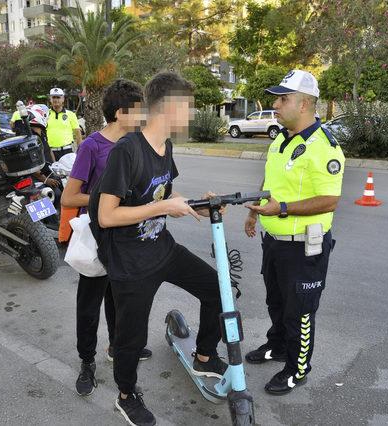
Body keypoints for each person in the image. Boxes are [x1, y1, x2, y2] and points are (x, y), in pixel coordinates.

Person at [95, 72, 226, 426]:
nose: (193, 115)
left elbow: (162, 195)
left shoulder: (165, 147)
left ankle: (204, 355)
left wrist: (198, 206)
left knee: (218, 289)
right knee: (130, 338)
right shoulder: (128, 150)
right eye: (189, 108)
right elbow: (107, 215)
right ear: (169, 108)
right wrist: (163, 208)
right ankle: (126, 395)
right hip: (131, 262)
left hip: (162, 248)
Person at [243, 70, 345, 396]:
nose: (275, 105)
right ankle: (278, 347)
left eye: (282, 99)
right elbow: (270, 184)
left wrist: (282, 209)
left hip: (304, 247)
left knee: (300, 310)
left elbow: (330, 200)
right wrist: (254, 211)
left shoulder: (324, 147)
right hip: (274, 242)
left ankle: (297, 369)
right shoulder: (280, 139)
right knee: (276, 301)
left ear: (304, 104)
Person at [60, 79, 153, 397]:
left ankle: (117, 347)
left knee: (122, 300)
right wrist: (108, 198)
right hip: (98, 238)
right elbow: (69, 198)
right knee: (89, 306)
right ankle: (87, 362)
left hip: (128, 238)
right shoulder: (92, 146)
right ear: (120, 113)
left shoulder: (138, 143)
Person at [46, 88, 82, 160]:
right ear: (50, 99)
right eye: (53, 97)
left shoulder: (70, 114)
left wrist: (80, 152)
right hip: (50, 152)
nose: (56, 100)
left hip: (67, 151)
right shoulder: (45, 114)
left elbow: (78, 134)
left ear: (63, 99)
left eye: (58, 97)